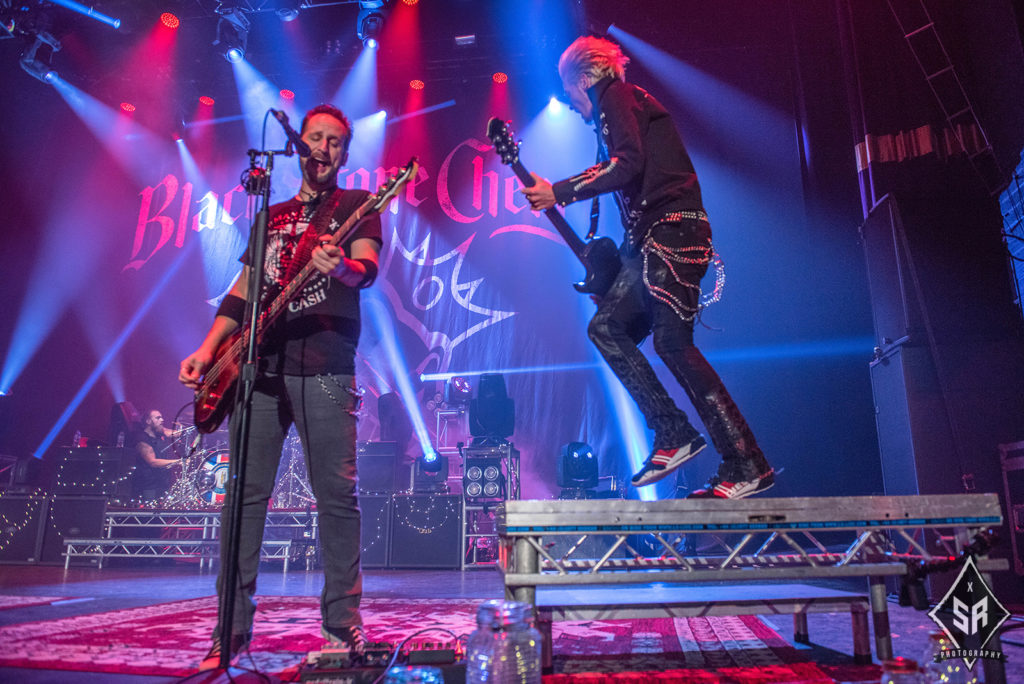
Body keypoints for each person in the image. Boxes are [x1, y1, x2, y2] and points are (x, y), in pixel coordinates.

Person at [523, 36, 774, 499]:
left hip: (673, 234)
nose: (572, 107)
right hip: (656, 239)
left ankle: (735, 457)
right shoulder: (618, 109)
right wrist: (616, 276)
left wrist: (559, 191)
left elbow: (627, 164)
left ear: (582, 79)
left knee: (671, 343)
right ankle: (691, 440)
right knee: (610, 328)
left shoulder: (615, 96)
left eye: (569, 92)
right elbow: (632, 189)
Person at [178, 103, 381, 669]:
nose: (323, 147)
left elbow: (366, 270)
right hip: (258, 368)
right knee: (243, 499)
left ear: (343, 153)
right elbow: (244, 289)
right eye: (315, 137)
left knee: (336, 498)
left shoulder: (358, 206)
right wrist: (207, 347)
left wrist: (339, 267)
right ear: (299, 145)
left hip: (326, 363)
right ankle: (230, 632)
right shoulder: (273, 212)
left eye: (335, 141)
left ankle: (343, 629)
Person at [130, 409, 181, 501]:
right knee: (149, 511)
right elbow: (152, 462)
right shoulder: (142, 439)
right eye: (158, 418)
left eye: (161, 417)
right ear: (148, 421)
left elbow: (171, 432)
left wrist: (180, 428)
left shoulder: (159, 434)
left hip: (162, 483)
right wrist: (178, 461)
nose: (162, 420)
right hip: (148, 485)